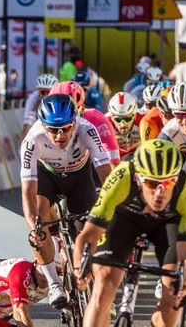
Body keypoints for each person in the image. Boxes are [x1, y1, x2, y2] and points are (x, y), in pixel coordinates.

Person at [69, 140, 186, 327]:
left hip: (169, 225)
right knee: (103, 286)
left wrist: (185, 283)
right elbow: (87, 236)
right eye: (152, 183)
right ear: (139, 177)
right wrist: (79, 268)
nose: (160, 191)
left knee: (172, 290)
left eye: (168, 182)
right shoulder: (122, 176)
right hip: (124, 219)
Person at [20, 93, 113, 308]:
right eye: (53, 129)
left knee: (89, 232)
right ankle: (54, 283)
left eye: (66, 127)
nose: (60, 135)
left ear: (75, 122)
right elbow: (27, 192)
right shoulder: (32, 140)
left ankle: (96, 286)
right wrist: (33, 228)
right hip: (48, 177)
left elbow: (106, 173)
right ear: (43, 126)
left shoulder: (87, 129)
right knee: (40, 218)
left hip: (80, 177)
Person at [51, 80, 119, 164]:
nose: (65, 120)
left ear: (82, 108)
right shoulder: (39, 128)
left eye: (72, 113)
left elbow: (113, 161)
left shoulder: (97, 119)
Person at [106, 92, 141, 161]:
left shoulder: (143, 119)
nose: (123, 124)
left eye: (127, 119)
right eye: (118, 119)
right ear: (112, 117)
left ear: (135, 115)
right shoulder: (104, 123)